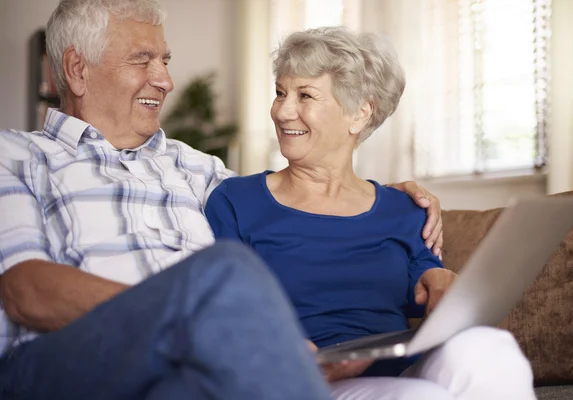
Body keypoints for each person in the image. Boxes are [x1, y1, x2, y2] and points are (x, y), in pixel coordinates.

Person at [0, 1, 443, 399]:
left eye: (166, 60)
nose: (166, 80)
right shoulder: (16, 155)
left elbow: (297, 205)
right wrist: (198, 317)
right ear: (78, 69)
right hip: (62, 359)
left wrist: (389, 200)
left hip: (191, 364)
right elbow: (25, 290)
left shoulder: (195, 168)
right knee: (228, 272)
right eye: (143, 60)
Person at [205, 27, 537, 400]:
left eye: (305, 95)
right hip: (302, 382)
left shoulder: (405, 209)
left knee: (493, 351)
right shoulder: (235, 200)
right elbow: (219, 306)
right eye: (280, 92)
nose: (282, 110)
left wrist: (442, 282)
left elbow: (426, 283)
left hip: (401, 369)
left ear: (360, 114)